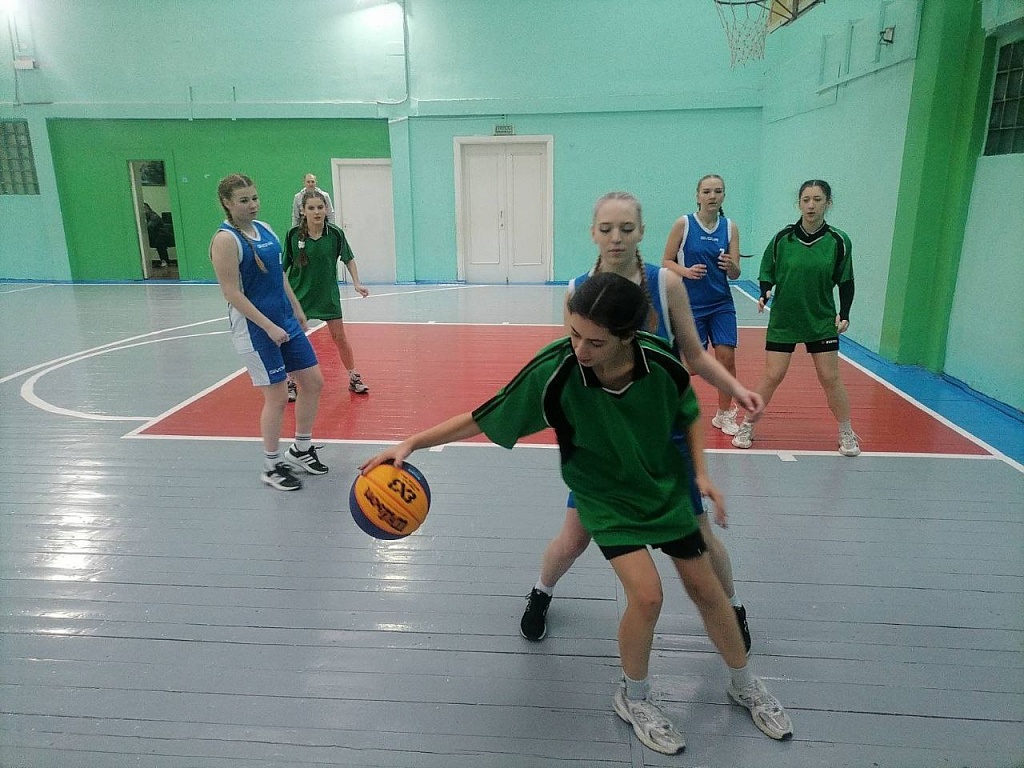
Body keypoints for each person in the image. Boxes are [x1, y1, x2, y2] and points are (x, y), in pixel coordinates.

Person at [361, 272, 794, 754]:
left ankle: (744, 684)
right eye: (574, 334)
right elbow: (485, 415)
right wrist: (412, 442)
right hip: (602, 495)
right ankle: (635, 697)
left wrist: (702, 474)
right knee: (647, 596)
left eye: (595, 341)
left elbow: (688, 412)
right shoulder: (556, 371)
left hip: (661, 486)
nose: (580, 349)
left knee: (707, 589)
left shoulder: (661, 362)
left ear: (628, 337)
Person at [521, 191, 761, 653]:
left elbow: (694, 356)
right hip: (606, 444)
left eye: (626, 228)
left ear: (642, 233)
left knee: (700, 533)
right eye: (606, 228)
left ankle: (732, 607)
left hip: (664, 440)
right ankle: (541, 592)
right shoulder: (578, 290)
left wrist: (736, 389)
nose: (616, 237)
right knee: (574, 537)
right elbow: (574, 362)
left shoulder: (665, 284)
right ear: (593, 233)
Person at [209, 173, 329, 491]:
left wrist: (296, 308)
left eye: (254, 198)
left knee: (313, 382)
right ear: (227, 203)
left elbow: (279, 275)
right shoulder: (225, 240)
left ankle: (301, 449)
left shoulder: (265, 229)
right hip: (255, 329)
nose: (252, 205)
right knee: (276, 397)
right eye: (243, 200)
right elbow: (231, 293)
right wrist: (268, 326)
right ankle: (271, 465)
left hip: (284, 321)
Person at [732, 179, 860, 457]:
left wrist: (845, 313)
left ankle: (846, 431)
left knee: (830, 377)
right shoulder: (783, 239)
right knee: (772, 375)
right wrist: (765, 292)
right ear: (799, 203)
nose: (811, 205)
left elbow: (846, 280)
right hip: (785, 320)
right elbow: (767, 271)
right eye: (806, 200)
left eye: (817, 199)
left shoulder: (839, 241)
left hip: (820, 321)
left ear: (828, 203)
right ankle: (747, 425)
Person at [662, 174, 743, 436]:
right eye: (707, 191)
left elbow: (736, 274)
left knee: (726, 359)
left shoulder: (730, 227)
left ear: (723, 196)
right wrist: (685, 271)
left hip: (721, 304)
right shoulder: (684, 224)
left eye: (717, 191)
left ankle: (724, 413)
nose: (712, 196)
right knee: (691, 365)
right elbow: (666, 261)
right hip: (690, 305)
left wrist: (731, 265)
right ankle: (669, 405)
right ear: (698, 196)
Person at [283, 188, 370, 396]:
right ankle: (289, 381)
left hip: (327, 296)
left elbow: (348, 259)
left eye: (320, 207)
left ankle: (353, 377)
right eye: (311, 208)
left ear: (326, 209)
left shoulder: (335, 234)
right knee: (293, 340)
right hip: (299, 296)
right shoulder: (293, 235)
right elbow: (283, 268)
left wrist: (357, 283)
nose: (316, 212)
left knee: (340, 337)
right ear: (303, 211)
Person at [144, 202, 171, 267]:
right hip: (155, 237)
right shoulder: (147, 217)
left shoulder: (154, 216)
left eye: (144, 209)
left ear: (148, 209)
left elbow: (149, 226)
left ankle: (164, 261)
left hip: (162, 236)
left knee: (160, 241)